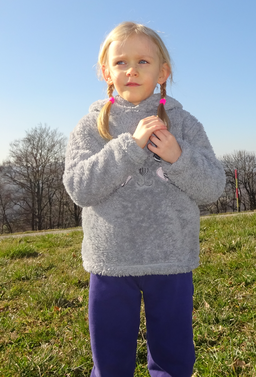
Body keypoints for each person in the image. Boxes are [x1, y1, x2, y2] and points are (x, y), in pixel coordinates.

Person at [63, 22, 225, 377]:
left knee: (173, 361)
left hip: (171, 260)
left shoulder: (184, 125)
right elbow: (79, 188)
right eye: (121, 62)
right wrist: (128, 147)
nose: (131, 70)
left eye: (143, 62)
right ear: (106, 71)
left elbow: (213, 187)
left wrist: (179, 157)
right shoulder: (90, 127)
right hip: (111, 263)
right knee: (110, 365)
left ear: (163, 71)